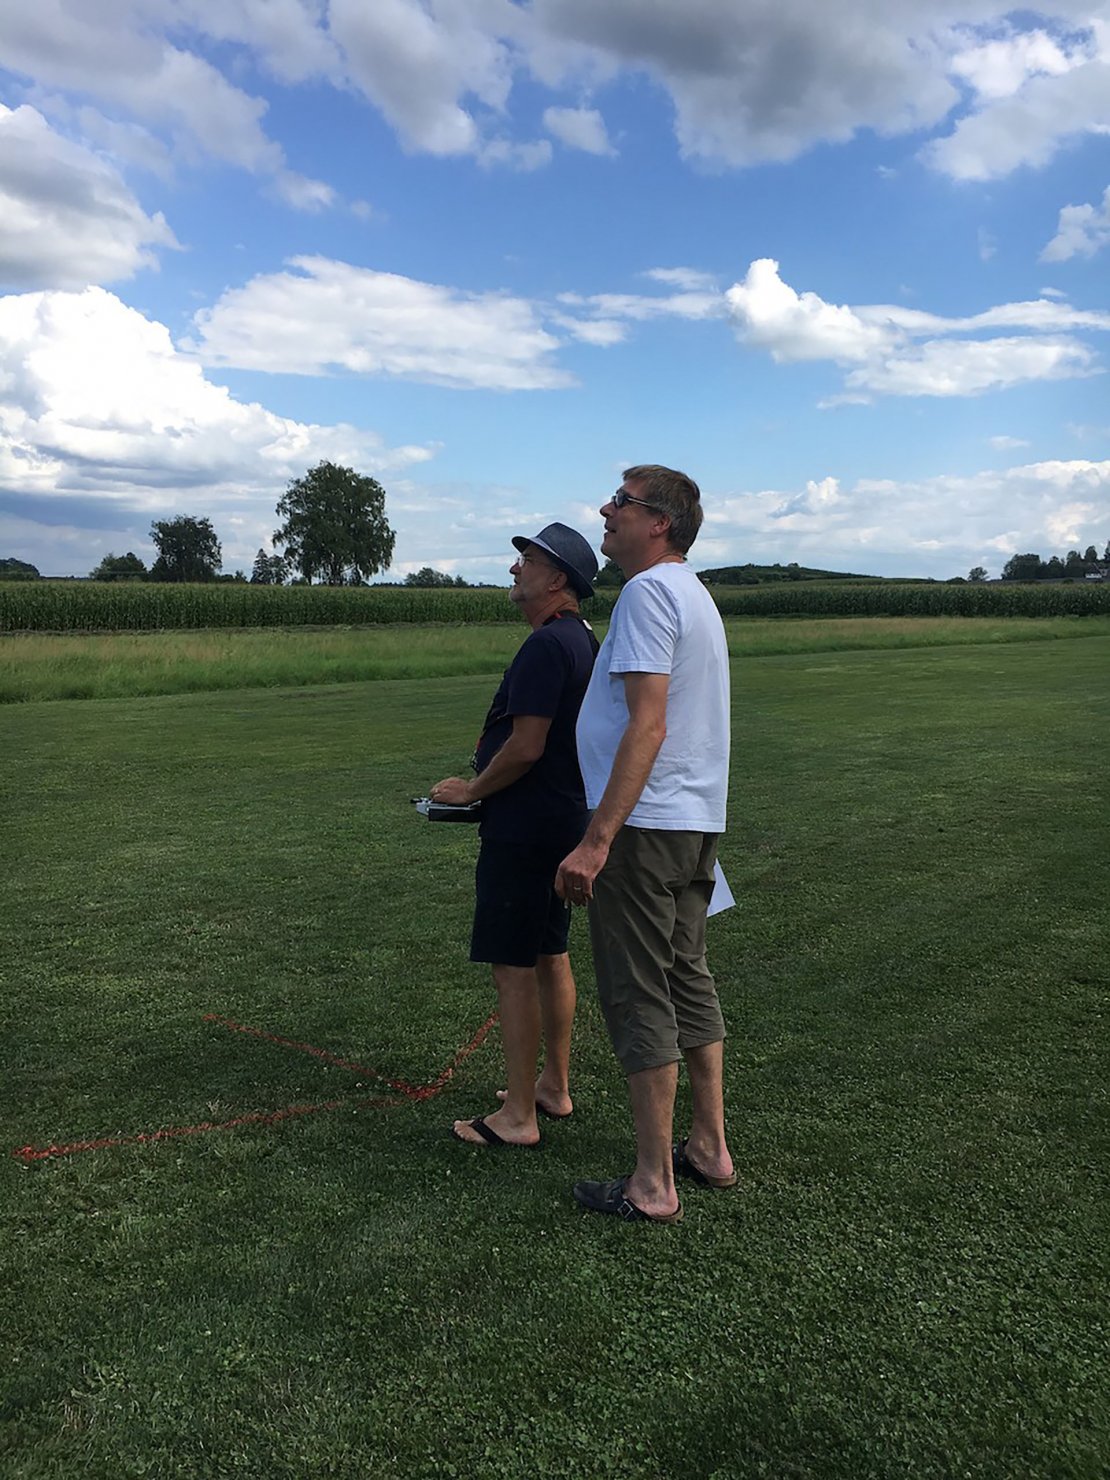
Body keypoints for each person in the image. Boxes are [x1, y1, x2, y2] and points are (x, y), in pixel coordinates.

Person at [555, 465, 735, 1223]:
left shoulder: (647, 593)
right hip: (693, 822)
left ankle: (654, 1184)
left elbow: (648, 724)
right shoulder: (692, 594)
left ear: (658, 522)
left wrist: (597, 840)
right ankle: (709, 1146)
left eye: (621, 501)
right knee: (687, 973)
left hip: (645, 827)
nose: (606, 508)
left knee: (639, 989)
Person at [430, 523, 599, 1149]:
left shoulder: (545, 646)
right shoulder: (580, 638)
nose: (514, 570)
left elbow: (526, 746)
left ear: (556, 579)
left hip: (525, 828)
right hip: (562, 821)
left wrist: (472, 790)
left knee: (513, 966)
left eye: (526, 560)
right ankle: (553, 1085)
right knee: (551, 952)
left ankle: (520, 1116)